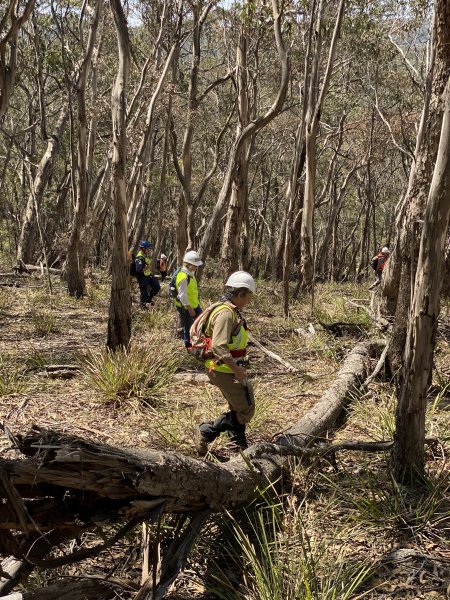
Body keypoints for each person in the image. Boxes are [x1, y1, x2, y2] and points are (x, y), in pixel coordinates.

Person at [195, 271, 256, 457]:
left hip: (224, 369)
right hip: (224, 370)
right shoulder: (226, 314)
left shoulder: (228, 310)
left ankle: (239, 444)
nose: (249, 301)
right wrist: (236, 369)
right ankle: (207, 431)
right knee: (246, 409)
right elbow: (219, 345)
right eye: (248, 297)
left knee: (236, 406)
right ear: (239, 295)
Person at [174, 250, 203, 348]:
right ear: (188, 264)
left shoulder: (190, 273)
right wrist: (190, 309)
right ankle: (188, 346)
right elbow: (182, 296)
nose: (196, 267)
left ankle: (198, 342)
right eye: (195, 265)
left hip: (194, 305)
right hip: (186, 307)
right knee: (188, 327)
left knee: (201, 323)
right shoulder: (183, 276)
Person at [135, 240, 160, 308]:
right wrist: (147, 268)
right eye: (148, 248)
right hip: (142, 277)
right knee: (144, 292)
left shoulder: (145, 255)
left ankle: (149, 300)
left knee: (157, 286)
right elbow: (138, 270)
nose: (149, 250)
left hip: (148, 275)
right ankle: (143, 305)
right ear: (143, 248)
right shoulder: (139, 258)